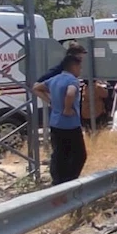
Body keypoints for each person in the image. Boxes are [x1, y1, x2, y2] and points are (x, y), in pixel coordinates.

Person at [32, 54, 87, 186]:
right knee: (79, 155)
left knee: (59, 153)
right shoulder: (72, 80)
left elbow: (36, 88)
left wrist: (50, 101)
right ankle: (70, 181)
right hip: (70, 124)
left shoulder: (54, 79)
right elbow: (70, 93)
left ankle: (57, 181)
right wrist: (67, 108)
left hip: (55, 123)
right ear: (73, 66)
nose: (80, 70)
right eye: (79, 67)